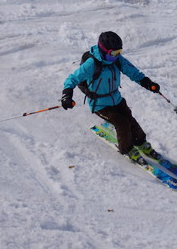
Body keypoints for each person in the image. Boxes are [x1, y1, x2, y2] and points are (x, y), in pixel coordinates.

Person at [60, 31, 160, 164]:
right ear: (103, 50)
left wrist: (147, 83)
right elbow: (72, 78)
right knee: (122, 123)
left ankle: (141, 142)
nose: (117, 56)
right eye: (113, 53)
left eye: (119, 52)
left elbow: (133, 72)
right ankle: (127, 149)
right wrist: (67, 95)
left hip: (116, 98)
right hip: (100, 104)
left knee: (129, 118)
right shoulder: (92, 64)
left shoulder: (117, 60)